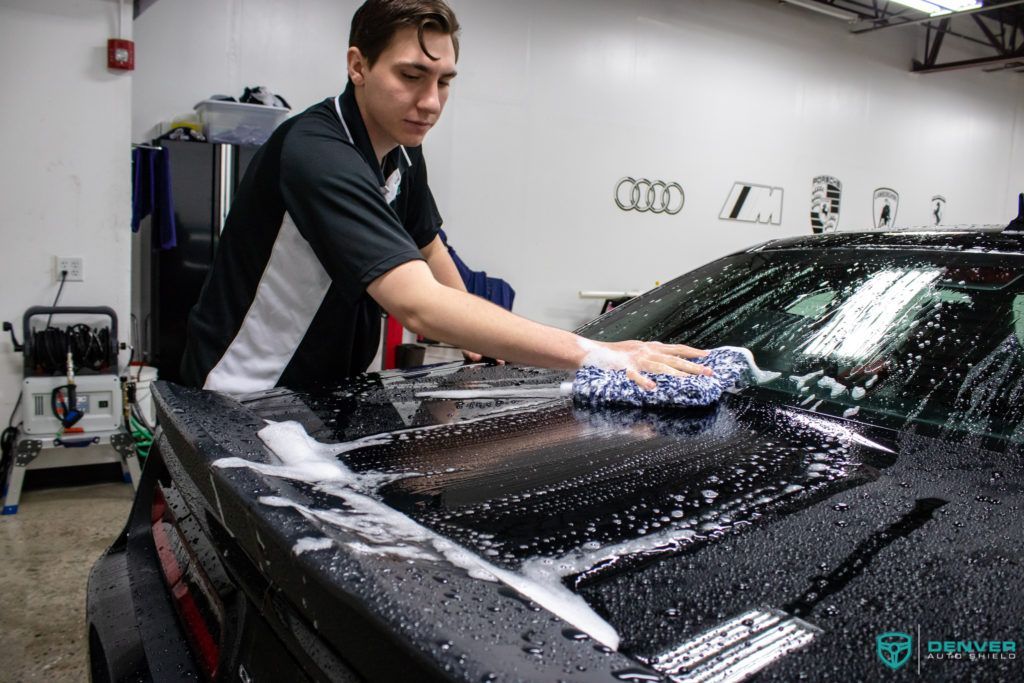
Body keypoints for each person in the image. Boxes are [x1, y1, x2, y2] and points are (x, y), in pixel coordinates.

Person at [180, 0, 708, 395]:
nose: (430, 103)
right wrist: (593, 352)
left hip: (323, 386)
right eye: (411, 76)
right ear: (358, 66)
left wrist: (478, 341)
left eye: (444, 82)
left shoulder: (402, 151)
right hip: (243, 388)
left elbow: (429, 248)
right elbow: (418, 305)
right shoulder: (316, 152)